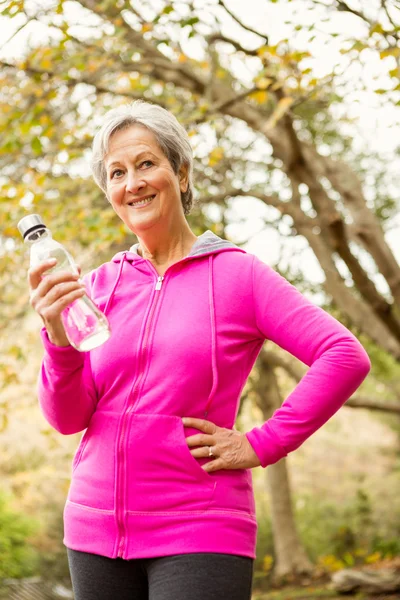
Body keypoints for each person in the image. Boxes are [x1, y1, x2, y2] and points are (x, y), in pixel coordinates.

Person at [28, 101, 371, 600]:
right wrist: (58, 339)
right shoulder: (97, 286)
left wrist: (260, 443)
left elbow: (343, 355)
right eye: (117, 173)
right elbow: (68, 417)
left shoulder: (238, 275)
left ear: (181, 173)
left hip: (200, 528)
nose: (133, 183)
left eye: (146, 164)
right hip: (94, 529)